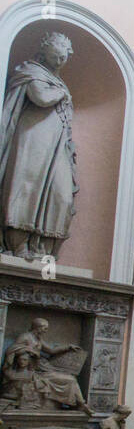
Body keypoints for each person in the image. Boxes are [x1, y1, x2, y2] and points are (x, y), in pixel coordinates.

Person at [0, 31, 77, 260]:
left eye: (63, 57)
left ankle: (43, 247)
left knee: (62, 195)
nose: (60, 62)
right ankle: (19, 244)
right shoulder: (31, 72)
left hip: (58, 144)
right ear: (45, 52)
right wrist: (62, 92)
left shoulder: (56, 80)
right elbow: (41, 98)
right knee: (27, 187)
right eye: (56, 56)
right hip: (33, 138)